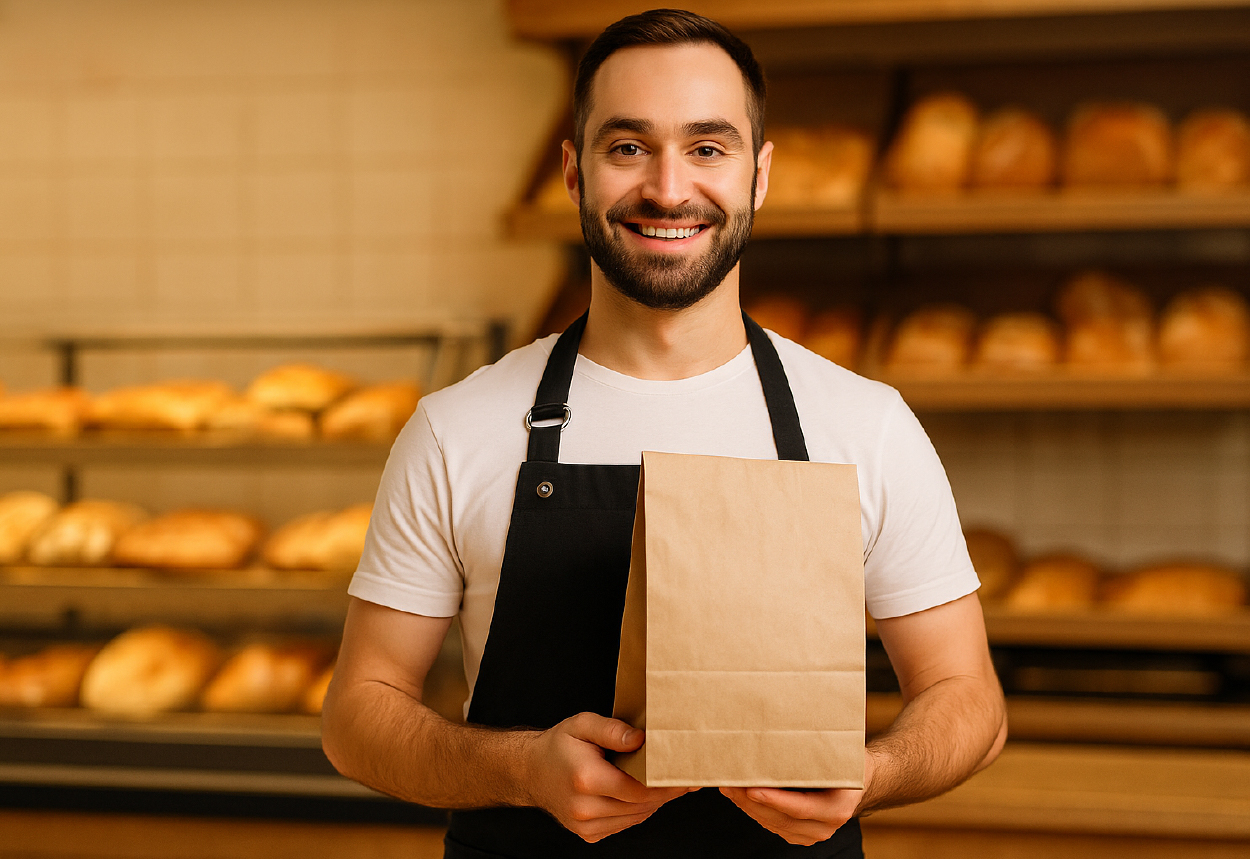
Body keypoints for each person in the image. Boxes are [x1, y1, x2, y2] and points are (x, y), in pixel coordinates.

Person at [321, 9, 1006, 858]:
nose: (669, 188)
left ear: (759, 176)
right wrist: (521, 769)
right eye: (627, 147)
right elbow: (358, 711)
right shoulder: (457, 429)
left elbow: (967, 695)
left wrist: (877, 771)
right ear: (573, 173)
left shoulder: (864, 424)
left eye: (708, 148)